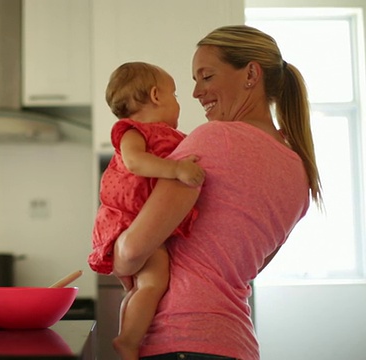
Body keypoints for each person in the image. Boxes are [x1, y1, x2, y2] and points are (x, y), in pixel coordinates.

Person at [111, 25, 323, 360]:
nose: (196, 92)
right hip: (236, 343)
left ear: (251, 74)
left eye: (206, 77)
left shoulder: (214, 139)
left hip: (180, 338)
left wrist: (117, 249)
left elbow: (131, 250)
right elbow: (245, 267)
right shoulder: (301, 172)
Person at [88, 62, 205, 360]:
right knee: (154, 282)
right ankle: (128, 341)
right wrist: (177, 169)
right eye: (175, 94)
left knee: (141, 287)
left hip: (138, 221)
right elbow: (134, 163)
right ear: (155, 95)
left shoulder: (164, 135)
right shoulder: (133, 131)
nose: (180, 102)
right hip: (127, 221)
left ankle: (127, 336)